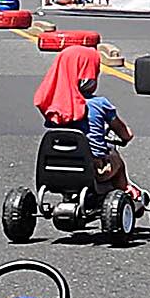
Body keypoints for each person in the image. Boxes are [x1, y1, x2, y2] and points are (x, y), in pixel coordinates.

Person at [35, 37, 134, 196]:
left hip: (55, 169)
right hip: (94, 169)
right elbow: (124, 133)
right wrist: (126, 136)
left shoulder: (54, 107)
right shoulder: (100, 104)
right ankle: (124, 191)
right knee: (117, 160)